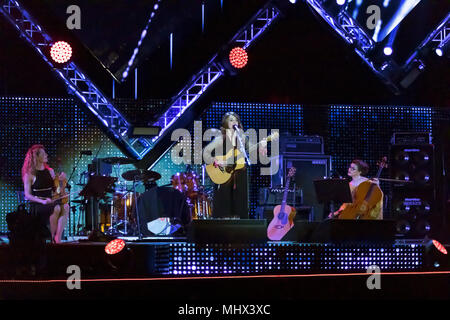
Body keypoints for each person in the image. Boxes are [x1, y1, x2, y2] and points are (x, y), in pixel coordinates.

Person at [204, 112, 267, 218]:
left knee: (239, 201)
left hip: (239, 173)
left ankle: (238, 222)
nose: (234, 122)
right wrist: (214, 160)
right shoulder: (220, 138)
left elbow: (251, 148)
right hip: (224, 172)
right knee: (225, 202)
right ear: (225, 123)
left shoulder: (242, 137)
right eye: (231, 120)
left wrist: (259, 149)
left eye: (236, 120)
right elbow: (206, 151)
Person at [22, 144, 69, 243]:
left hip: (50, 200)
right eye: (44, 154)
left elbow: (57, 190)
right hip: (38, 203)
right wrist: (42, 201)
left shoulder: (50, 171)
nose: (47, 155)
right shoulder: (29, 174)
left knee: (66, 207)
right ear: (37, 157)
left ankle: (57, 238)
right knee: (56, 208)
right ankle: (51, 237)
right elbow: (27, 195)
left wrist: (61, 180)